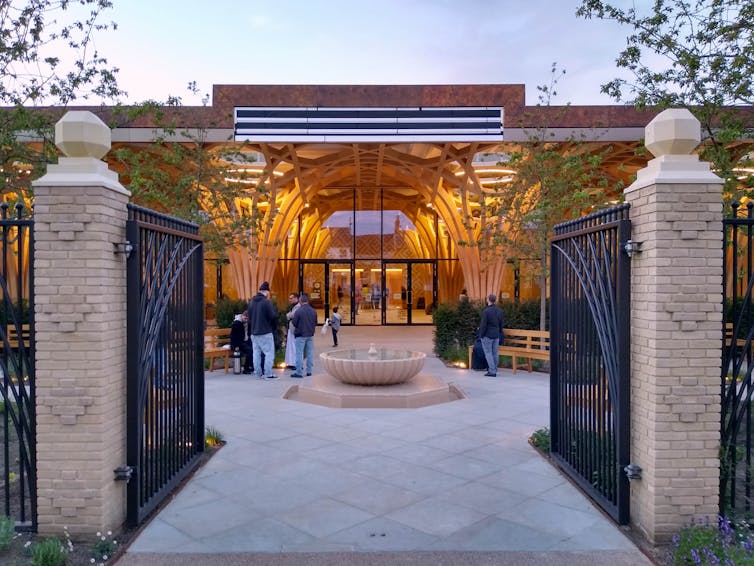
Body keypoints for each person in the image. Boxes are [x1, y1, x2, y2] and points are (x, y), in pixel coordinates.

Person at [247, 281, 278, 380]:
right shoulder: (266, 302)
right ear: (266, 292)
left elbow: (249, 317)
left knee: (256, 353)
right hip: (265, 332)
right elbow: (273, 316)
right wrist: (272, 327)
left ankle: (257, 373)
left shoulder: (251, 302)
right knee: (269, 353)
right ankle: (268, 374)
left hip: (254, 332)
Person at [290, 293, 317, 378]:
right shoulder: (313, 311)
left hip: (300, 335)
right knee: (310, 353)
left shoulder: (298, 311)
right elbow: (315, 323)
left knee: (299, 353)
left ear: (300, 301)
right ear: (307, 301)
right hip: (310, 334)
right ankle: (309, 371)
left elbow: (294, 323)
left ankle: (299, 372)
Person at [478, 293, 505, 377]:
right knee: (495, 353)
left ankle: (492, 371)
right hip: (496, 335)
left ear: (488, 300)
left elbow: (483, 325)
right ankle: (494, 369)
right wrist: (500, 332)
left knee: (488, 353)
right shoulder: (499, 310)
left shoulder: (486, 311)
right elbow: (501, 323)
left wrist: (481, 335)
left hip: (487, 335)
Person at [284, 292, 300, 368]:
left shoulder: (298, 306)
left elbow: (291, 315)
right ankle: (291, 362)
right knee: (291, 346)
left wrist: (288, 315)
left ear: (296, 298)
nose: (289, 300)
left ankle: (295, 363)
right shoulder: (294, 306)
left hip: (295, 329)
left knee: (294, 346)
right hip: (292, 328)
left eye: (291, 298)